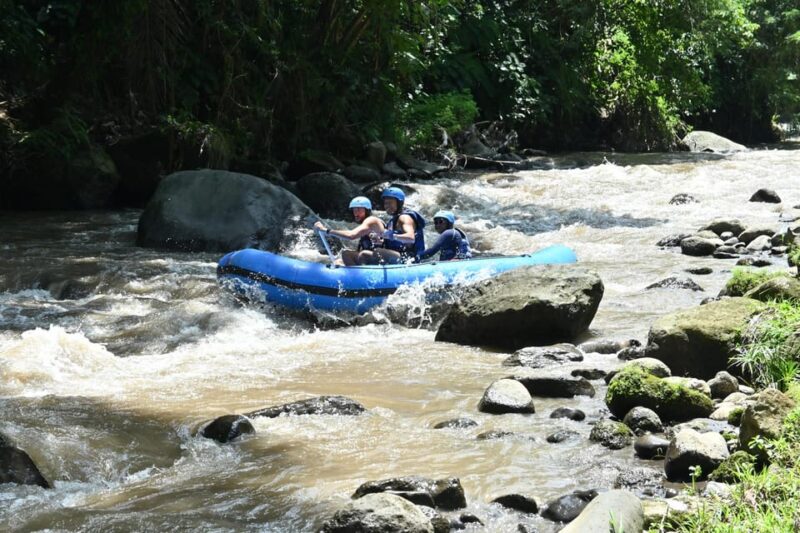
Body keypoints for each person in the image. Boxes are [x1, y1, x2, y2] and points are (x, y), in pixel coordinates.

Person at [313, 196, 385, 266]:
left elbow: (351, 235)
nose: (356, 213)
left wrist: (326, 230)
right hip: (373, 258)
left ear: (367, 210)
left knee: (346, 254)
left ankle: (355, 277)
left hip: (382, 260)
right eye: (354, 210)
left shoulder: (372, 220)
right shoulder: (366, 225)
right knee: (338, 261)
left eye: (359, 209)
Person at [369, 187, 426, 264]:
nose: (387, 206)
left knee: (378, 251)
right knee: (364, 254)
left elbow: (410, 238)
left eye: (390, 203)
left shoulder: (405, 218)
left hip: (410, 258)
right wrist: (380, 241)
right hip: (398, 255)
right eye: (386, 203)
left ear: (399, 203)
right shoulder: (393, 220)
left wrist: (389, 235)